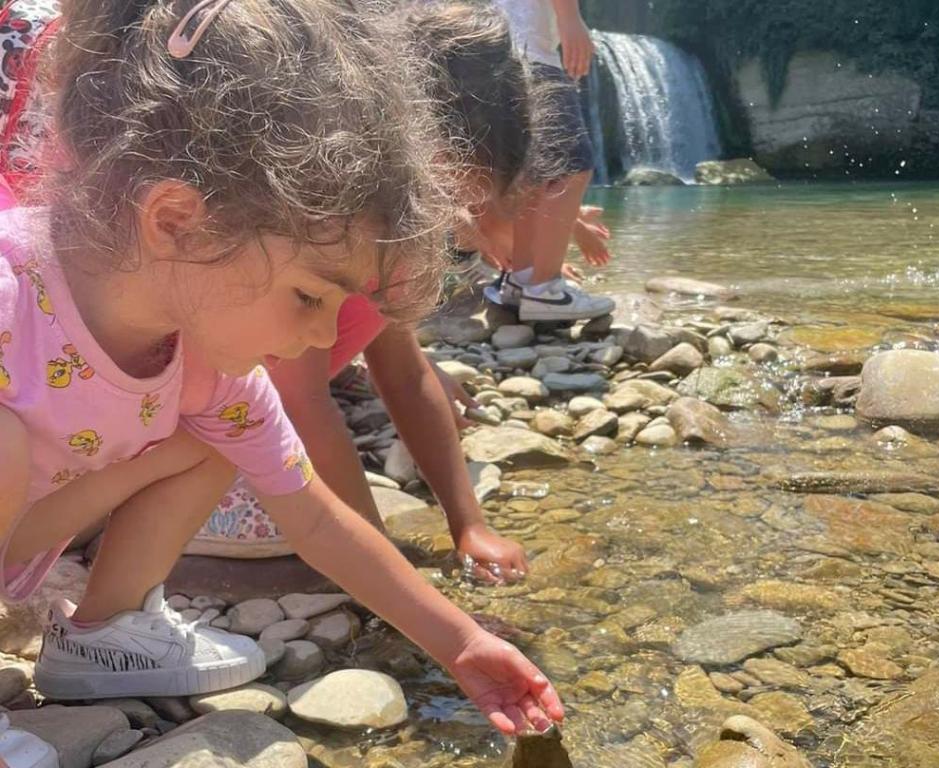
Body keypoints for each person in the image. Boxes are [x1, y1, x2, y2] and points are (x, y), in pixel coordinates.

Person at [0, 0, 562, 737]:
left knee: (216, 440)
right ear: (177, 223)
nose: (325, 335)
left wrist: (460, 642)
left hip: (22, 539)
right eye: (309, 296)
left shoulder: (210, 368)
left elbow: (315, 519)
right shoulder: (12, 295)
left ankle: (105, 635)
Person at [187, 1, 535, 583]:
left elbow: (405, 373)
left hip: (257, 416)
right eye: (439, 196)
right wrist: (383, 565)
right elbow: (301, 399)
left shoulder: (399, 230)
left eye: (464, 205)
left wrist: (468, 523)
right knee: (295, 530)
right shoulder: (320, 223)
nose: (445, 220)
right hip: (192, 428)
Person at [490, 0, 614, 322]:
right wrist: (570, 17)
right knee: (571, 168)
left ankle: (521, 281)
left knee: (532, 176)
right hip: (533, 54)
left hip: (500, 53)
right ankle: (545, 290)